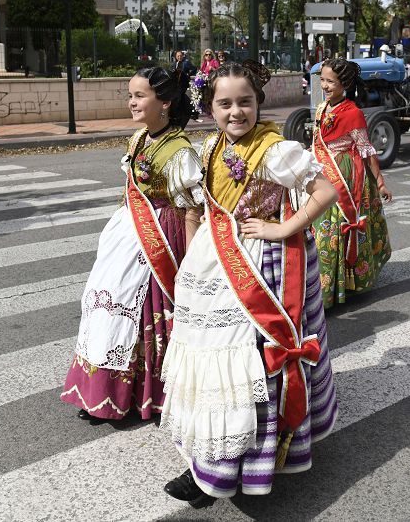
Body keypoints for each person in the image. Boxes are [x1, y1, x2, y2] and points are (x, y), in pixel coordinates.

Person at [160, 61, 339, 507]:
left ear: (259, 101)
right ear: (210, 107)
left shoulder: (276, 149)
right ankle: (211, 457)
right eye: (225, 103)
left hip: (263, 265)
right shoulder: (209, 148)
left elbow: (326, 192)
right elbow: (199, 207)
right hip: (215, 259)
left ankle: (230, 468)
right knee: (208, 355)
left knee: (248, 362)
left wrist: (282, 229)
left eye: (245, 101)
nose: (236, 111)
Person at [60, 67, 202, 423]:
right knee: (105, 299)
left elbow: (191, 210)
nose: (132, 102)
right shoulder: (139, 139)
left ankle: (137, 393)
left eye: (140, 96)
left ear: (165, 103)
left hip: (160, 236)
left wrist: (190, 263)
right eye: (130, 95)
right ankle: (101, 390)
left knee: (140, 308)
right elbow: (131, 191)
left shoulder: (180, 150)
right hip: (130, 229)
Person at [311, 58, 393, 307]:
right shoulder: (321, 108)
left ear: (344, 83)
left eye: (330, 81)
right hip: (322, 168)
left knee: (335, 228)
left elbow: (366, 150)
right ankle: (323, 284)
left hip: (346, 174)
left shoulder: (353, 112)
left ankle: (346, 283)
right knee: (319, 228)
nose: (324, 85)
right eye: (322, 80)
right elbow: (316, 141)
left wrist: (379, 182)